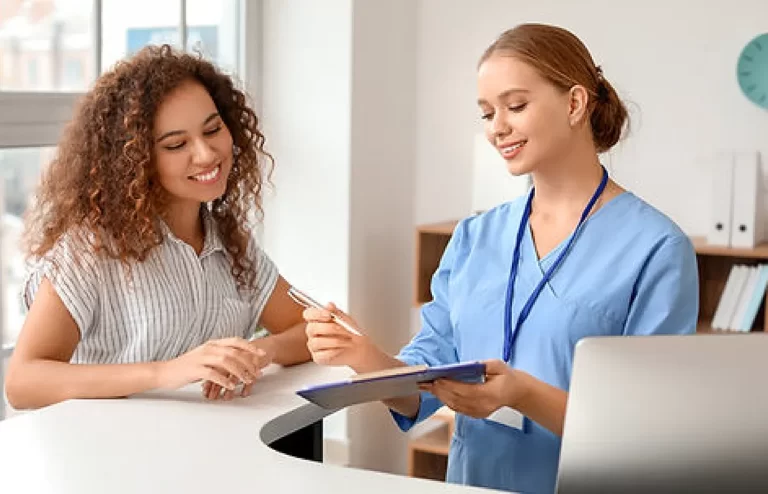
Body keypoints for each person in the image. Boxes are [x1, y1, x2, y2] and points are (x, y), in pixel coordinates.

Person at [303, 23, 698, 493]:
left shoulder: (655, 247)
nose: (497, 128)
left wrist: (524, 394)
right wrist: (364, 357)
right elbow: (420, 397)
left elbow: (645, 430)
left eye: (515, 106)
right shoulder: (474, 237)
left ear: (575, 104)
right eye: (487, 113)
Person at [5, 45, 310, 410]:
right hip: (111, 456)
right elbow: (23, 383)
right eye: (176, 144)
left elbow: (312, 329)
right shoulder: (90, 250)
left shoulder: (230, 245)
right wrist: (167, 372)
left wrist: (260, 350)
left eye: (213, 129)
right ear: (137, 161)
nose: (206, 154)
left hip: (213, 448)